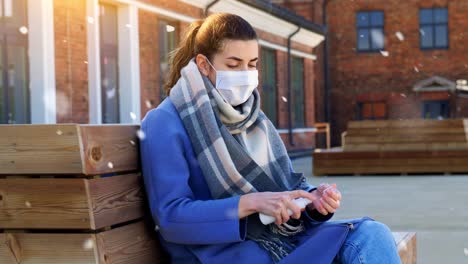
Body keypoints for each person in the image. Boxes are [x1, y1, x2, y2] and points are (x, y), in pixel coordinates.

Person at [140, 13, 401, 264]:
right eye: (233, 64)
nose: (245, 73)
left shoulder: (253, 119)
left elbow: (286, 187)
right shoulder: (165, 121)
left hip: (277, 243)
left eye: (252, 64)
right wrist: (248, 203)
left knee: (372, 234)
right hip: (222, 255)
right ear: (203, 65)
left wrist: (312, 202)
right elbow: (170, 218)